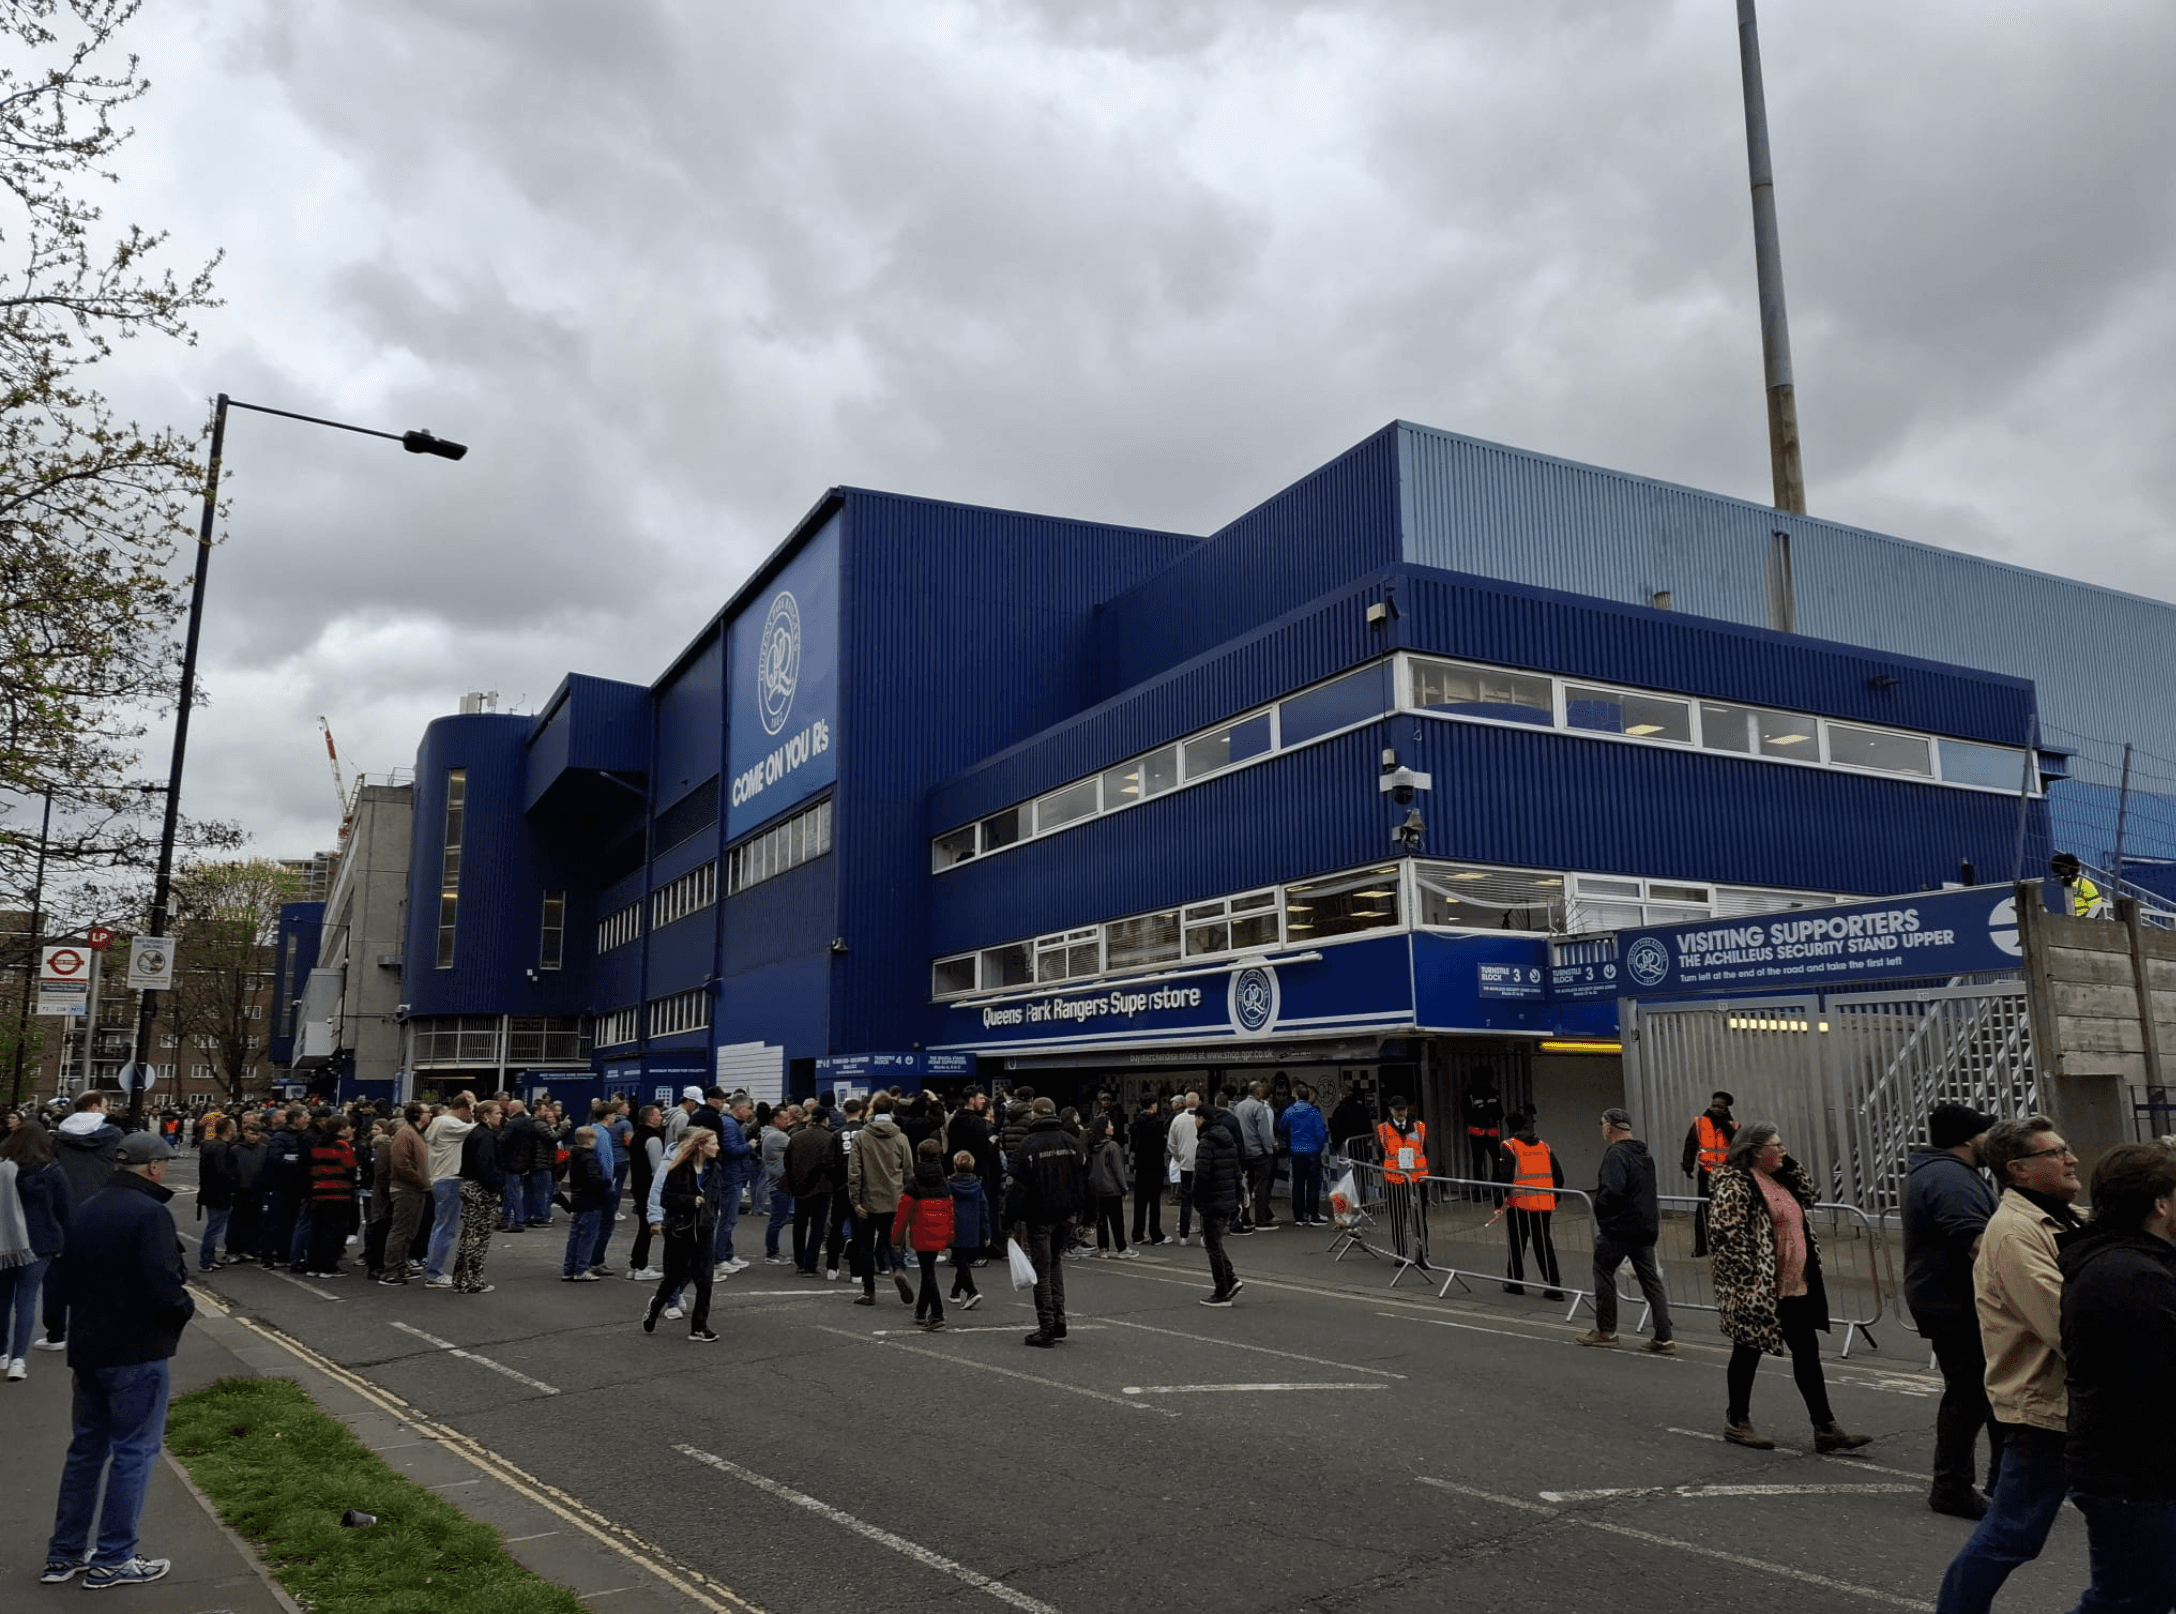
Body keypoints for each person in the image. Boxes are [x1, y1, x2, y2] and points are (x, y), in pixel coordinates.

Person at [1935, 1115, 2084, 1614]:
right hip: (2045, 1409)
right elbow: (2064, 1323)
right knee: (2012, 1536)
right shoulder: (2015, 1233)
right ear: (2018, 1170)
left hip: (2080, 1404)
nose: (2071, 1158)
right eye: (2056, 1153)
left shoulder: (2066, 1216)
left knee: (2135, 1524)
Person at [39, 1132, 193, 1589]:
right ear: (151, 1168)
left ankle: (64, 1555)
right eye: (162, 1163)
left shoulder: (87, 1208)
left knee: (86, 1452)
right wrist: (181, 1312)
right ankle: (114, 1558)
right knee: (134, 1453)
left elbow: (61, 1280)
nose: (164, 1169)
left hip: (89, 1349)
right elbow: (164, 1285)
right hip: (137, 1350)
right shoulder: (150, 1214)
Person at [2053, 1142, 2176, 1614]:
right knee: (2128, 1602)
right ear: (2162, 1205)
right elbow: (2156, 1376)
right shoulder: (2127, 1275)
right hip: (2134, 1471)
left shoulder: (2134, 1260)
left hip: (2136, 1468)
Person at [1707, 1122, 1869, 1453]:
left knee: (1807, 1354)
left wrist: (1789, 1163)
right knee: (1747, 1351)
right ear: (1754, 1151)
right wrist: (1748, 1282)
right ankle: (1737, 1422)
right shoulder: (1735, 1186)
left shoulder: (1779, 1178)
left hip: (1796, 1285)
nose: (1783, 1150)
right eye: (1776, 1146)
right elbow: (1727, 1240)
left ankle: (1825, 1428)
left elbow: (1812, 1195)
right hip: (1759, 1289)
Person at [1903, 1103, 2002, 1521]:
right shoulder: (1947, 1177)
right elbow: (1975, 1241)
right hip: (1955, 1301)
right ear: (1967, 1140)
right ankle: (1951, 1487)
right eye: (1986, 1134)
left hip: (1953, 1298)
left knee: (1992, 1390)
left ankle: (2003, 1479)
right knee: (1970, 1391)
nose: (1992, 1142)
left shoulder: (1952, 1173)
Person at [1577, 1107, 1674, 1354]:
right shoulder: (1644, 1153)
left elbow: (1613, 1190)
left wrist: (1601, 1210)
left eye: (1602, 1125)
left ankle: (1606, 1331)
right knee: (1651, 1280)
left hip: (1619, 1228)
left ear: (1609, 1127)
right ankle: (1664, 1337)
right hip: (1645, 1227)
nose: (1601, 1129)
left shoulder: (1616, 1154)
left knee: (1603, 1271)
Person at [1009, 1097, 1086, 1345]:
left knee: (1041, 1271)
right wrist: (1086, 1214)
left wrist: (1008, 1220)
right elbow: (1086, 1179)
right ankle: (1059, 1319)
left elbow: (1017, 1187)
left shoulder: (1028, 1145)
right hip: (1067, 1216)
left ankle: (1046, 1327)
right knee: (1055, 1265)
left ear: (1034, 1115)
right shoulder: (1073, 1143)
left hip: (1039, 1215)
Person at [1, 1119, 71, 1382]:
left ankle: (1, 1353)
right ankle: (19, 1360)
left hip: (5, 1241)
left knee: (3, 1299)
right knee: (26, 1300)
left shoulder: (3, 1168)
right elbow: (65, 1211)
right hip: (41, 1242)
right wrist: (66, 1243)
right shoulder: (53, 1171)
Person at [643, 1128, 721, 1342]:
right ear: (700, 1146)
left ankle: (699, 1327)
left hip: (704, 1230)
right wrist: (690, 1201)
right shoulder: (677, 1168)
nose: (717, 1147)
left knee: (705, 1280)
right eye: (713, 1143)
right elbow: (666, 1198)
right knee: (674, 1277)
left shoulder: (714, 1168)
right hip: (680, 1229)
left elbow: (715, 1199)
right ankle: (656, 1304)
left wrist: (712, 1218)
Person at [848, 1094, 915, 1307]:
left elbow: (854, 1172)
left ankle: (869, 1291)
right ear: (892, 1111)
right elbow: (908, 1170)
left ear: (872, 1111)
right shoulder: (901, 1137)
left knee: (866, 1245)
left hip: (869, 1198)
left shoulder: (861, 1137)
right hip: (894, 1198)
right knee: (893, 1240)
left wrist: (855, 1199)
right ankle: (898, 1269)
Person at [1495, 1109, 1564, 1299]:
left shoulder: (1509, 1146)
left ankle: (1516, 1282)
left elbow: (1505, 1177)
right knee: (1543, 1243)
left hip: (1520, 1203)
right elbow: (1559, 1175)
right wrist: (1554, 1197)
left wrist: (1499, 1202)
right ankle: (1555, 1285)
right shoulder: (1544, 1146)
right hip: (1544, 1203)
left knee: (1517, 1243)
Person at [894, 1138, 956, 1331]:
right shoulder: (944, 1181)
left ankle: (937, 1314)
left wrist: (896, 1238)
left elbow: (903, 1212)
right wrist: (950, 1235)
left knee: (928, 1272)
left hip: (921, 1230)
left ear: (918, 1156)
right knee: (928, 1269)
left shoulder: (914, 1183)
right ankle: (921, 1311)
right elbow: (950, 1210)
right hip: (939, 1230)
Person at [1191, 1091, 1245, 1307]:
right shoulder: (1227, 1139)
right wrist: (1238, 1198)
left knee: (1212, 1245)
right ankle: (1230, 1279)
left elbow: (1201, 1175)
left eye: (1196, 1118)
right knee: (1215, 1242)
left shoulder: (1206, 1143)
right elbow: (1236, 1171)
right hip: (1227, 1197)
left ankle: (1221, 1289)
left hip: (1211, 1199)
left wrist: (1197, 1199)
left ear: (1201, 1120)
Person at [449, 1100, 504, 1294]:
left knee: (469, 1235)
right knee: (478, 1238)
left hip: (469, 1186)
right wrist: (496, 1187)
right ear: (485, 1115)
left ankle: (460, 1279)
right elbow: (486, 1167)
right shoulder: (487, 1137)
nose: (500, 1116)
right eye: (497, 1113)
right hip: (481, 1189)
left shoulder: (475, 1134)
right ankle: (473, 1280)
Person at [422, 1095, 476, 1287]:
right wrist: (476, 1105)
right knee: (446, 1229)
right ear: (463, 1109)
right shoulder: (451, 1124)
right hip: (450, 1178)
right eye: (468, 1112)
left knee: (440, 1226)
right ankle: (435, 1273)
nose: (469, 1116)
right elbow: (477, 1130)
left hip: (439, 1178)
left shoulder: (438, 1122)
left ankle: (432, 1267)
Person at [378, 1104, 432, 1287]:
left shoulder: (416, 1133)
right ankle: (391, 1270)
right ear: (417, 1115)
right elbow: (400, 1164)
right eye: (427, 1112)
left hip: (416, 1188)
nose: (430, 1115)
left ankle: (400, 1266)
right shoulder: (406, 1133)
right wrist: (421, 1181)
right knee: (401, 1230)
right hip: (406, 1188)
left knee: (410, 1231)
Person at [1681, 1090, 1737, 1259]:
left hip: (1726, 1174)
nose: (1716, 1109)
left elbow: (1738, 1146)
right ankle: (1701, 1247)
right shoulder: (1701, 1123)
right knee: (1703, 1210)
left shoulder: (1732, 1125)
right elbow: (1690, 1145)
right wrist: (1688, 1165)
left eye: (1720, 1106)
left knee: (1726, 1210)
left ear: (1726, 1108)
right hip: (1706, 1173)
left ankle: (1724, 1246)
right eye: (1714, 1105)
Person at [1377, 1095, 1430, 1270]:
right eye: (1397, 1109)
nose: (1401, 1112)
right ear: (1391, 1111)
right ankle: (1400, 1253)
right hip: (1396, 1181)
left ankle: (1422, 1255)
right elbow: (1381, 1153)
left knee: (1420, 1219)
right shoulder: (1383, 1130)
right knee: (1398, 1218)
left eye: (1403, 1109)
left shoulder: (1419, 1128)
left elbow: (1424, 1151)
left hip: (1417, 1181)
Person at [305, 1114, 358, 1277]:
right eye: (348, 1126)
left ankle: (313, 1266)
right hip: (339, 1191)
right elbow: (350, 1167)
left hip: (318, 1190)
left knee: (317, 1229)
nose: (350, 1129)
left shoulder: (318, 1143)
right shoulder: (343, 1145)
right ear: (342, 1128)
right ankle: (328, 1267)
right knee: (334, 1230)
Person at [560, 1126, 611, 1280]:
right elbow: (593, 1180)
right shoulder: (590, 1158)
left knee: (575, 1236)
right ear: (589, 1140)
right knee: (588, 1236)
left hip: (577, 1199)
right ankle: (581, 1269)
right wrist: (606, 1182)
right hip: (591, 1200)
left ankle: (569, 1269)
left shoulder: (574, 1156)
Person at [626, 1104, 668, 1281]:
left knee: (644, 1226)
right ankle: (641, 1266)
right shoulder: (653, 1139)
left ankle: (636, 1265)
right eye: (658, 1115)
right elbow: (658, 1169)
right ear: (650, 1118)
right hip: (650, 1188)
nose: (661, 1118)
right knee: (648, 1227)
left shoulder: (637, 1136)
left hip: (638, 1186)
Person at [947, 1149, 990, 1311]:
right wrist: (986, 1231)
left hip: (955, 1225)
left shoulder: (949, 1185)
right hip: (973, 1227)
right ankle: (955, 1292)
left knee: (960, 1259)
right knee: (964, 1259)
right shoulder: (978, 1186)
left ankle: (971, 1291)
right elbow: (984, 1209)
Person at [1233, 1081, 1278, 1229]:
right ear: (1258, 1093)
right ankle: (1261, 1219)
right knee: (1262, 1186)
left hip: (1243, 1152)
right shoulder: (1259, 1107)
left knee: (1247, 1186)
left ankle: (1245, 1217)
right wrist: (1270, 1150)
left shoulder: (1238, 1107)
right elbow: (1264, 1133)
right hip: (1258, 1152)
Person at [1087, 1115, 1133, 1257]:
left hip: (1096, 1188)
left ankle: (1103, 1248)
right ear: (1104, 1129)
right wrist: (1124, 1187)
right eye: (1109, 1125)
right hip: (1112, 1189)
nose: (1112, 1127)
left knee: (1101, 1220)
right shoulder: (1112, 1146)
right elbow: (1118, 1170)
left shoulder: (1091, 1146)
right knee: (1117, 1220)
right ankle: (1121, 1248)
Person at [1284, 1084, 1329, 1226]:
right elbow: (1320, 1134)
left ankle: (1298, 1217)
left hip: (1296, 1152)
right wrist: (1318, 1148)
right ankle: (1313, 1215)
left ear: (1296, 1096)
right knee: (1313, 1185)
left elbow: (1282, 1127)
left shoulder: (1290, 1111)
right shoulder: (1314, 1112)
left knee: (1297, 1184)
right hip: (1312, 1152)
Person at [195, 1116, 236, 1272]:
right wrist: (232, 1184)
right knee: (214, 1228)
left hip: (209, 1192)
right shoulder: (221, 1148)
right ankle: (206, 1261)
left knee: (214, 1227)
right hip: (219, 1194)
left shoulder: (210, 1146)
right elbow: (222, 1172)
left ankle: (208, 1259)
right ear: (228, 1130)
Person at [1128, 1098, 1169, 1246]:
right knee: (1154, 1202)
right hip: (1154, 1165)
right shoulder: (1157, 1123)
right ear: (1153, 1106)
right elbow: (1161, 1145)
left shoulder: (1136, 1123)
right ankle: (1155, 1234)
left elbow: (1132, 1147)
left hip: (1140, 1166)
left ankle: (1137, 1234)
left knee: (1140, 1202)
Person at [758, 1104, 795, 1263]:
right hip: (780, 1182)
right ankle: (772, 1252)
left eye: (789, 1118)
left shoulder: (769, 1134)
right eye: (784, 1118)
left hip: (777, 1181)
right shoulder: (777, 1137)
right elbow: (797, 1145)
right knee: (778, 1219)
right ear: (774, 1120)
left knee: (778, 1217)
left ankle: (772, 1250)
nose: (788, 1121)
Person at [1460, 1069, 1505, 1199]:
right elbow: (1466, 1113)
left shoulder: (1494, 1093)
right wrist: (1481, 1116)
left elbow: (1500, 1113)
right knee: (1478, 1163)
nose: (1484, 1082)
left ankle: (1495, 1189)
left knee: (1496, 1161)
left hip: (1491, 1132)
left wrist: (1492, 1115)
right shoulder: (1470, 1094)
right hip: (1477, 1133)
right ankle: (1478, 1192)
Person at [1167, 1093, 1201, 1247]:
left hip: (1185, 1165)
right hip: (1202, 1165)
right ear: (1198, 1102)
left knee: (1186, 1200)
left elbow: (1171, 1144)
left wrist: (1179, 1157)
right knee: (1203, 1200)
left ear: (1185, 1103)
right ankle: (1203, 1237)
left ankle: (1183, 1236)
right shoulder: (1204, 1118)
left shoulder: (1178, 1120)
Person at [2049, 851, 2104, 919]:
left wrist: (2088, 918)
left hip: (2084, 919)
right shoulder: (2054, 884)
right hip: (2060, 919)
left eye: (2066, 866)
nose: (2063, 869)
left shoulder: (2084, 883)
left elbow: (2095, 904)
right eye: (2061, 867)